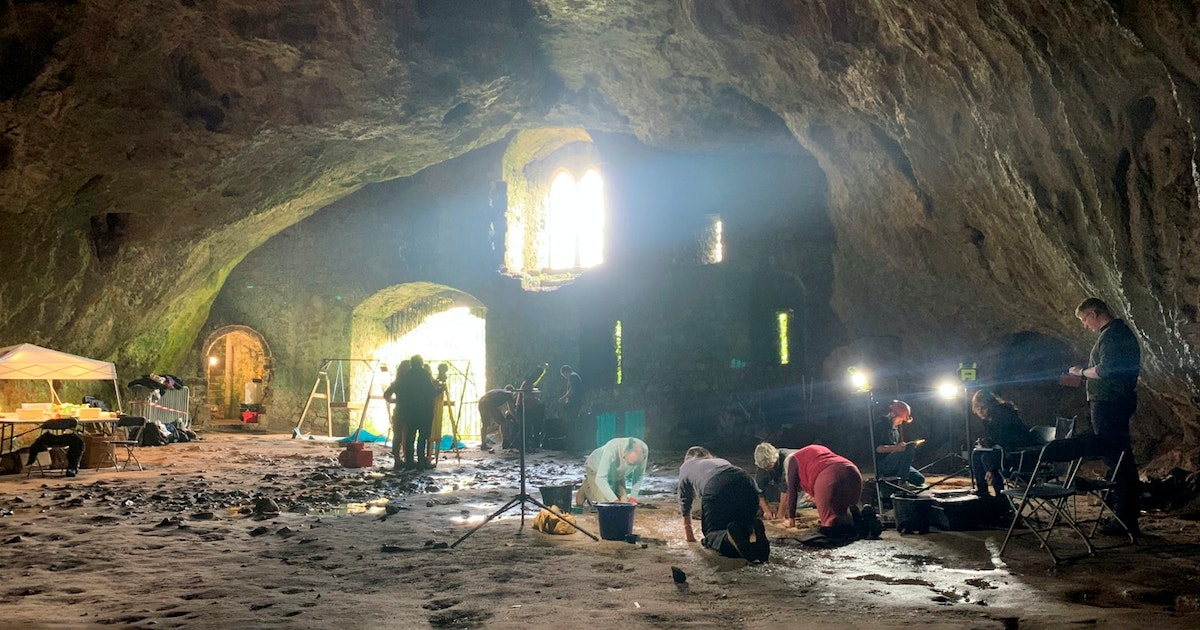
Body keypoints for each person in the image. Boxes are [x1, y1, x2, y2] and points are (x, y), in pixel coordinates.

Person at [1068, 297, 1142, 536]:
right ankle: (1125, 515)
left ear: (1093, 312)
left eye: (1084, 319)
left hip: (1110, 403)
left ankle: (1125, 519)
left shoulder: (1113, 336)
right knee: (1118, 458)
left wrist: (1082, 372)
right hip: (1112, 402)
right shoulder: (1115, 334)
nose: (1085, 325)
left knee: (1116, 459)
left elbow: (1107, 368)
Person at [678, 446, 769, 562]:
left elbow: (684, 499)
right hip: (747, 481)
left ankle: (728, 537)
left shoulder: (687, 465)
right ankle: (754, 530)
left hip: (717, 485)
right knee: (741, 530)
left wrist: (689, 534)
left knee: (712, 535)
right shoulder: (720, 461)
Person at [755, 442, 863, 538]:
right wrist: (766, 510)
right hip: (852, 471)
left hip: (827, 477)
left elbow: (790, 491)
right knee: (847, 510)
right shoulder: (810, 453)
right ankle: (861, 528)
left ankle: (843, 538)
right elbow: (759, 488)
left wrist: (790, 519)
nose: (767, 470)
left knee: (829, 525)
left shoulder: (791, 460)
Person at [969, 389, 1040, 497]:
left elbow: (1008, 439)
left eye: (981, 407)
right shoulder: (994, 415)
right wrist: (989, 442)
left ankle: (1000, 496)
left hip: (1020, 454)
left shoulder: (999, 415)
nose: (980, 411)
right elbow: (1000, 438)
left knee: (987, 457)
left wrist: (991, 467)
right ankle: (983, 490)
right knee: (976, 454)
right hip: (1008, 449)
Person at [390, 355, 444, 470]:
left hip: (409, 412)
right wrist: (440, 390)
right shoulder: (424, 375)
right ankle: (421, 462)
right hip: (424, 412)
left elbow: (398, 389)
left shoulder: (406, 376)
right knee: (423, 438)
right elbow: (431, 392)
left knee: (410, 437)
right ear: (420, 363)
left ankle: (409, 462)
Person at [576, 437, 648, 506]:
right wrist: (614, 501)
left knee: (624, 503)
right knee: (604, 504)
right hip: (596, 470)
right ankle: (587, 486)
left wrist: (633, 497)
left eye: (635, 465)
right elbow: (601, 478)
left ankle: (599, 488)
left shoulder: (644, 450)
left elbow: (639, 475)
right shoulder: (612, 448)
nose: (632, 467)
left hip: (617, 474)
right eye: (630, 464)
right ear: (624, 454)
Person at [874, 400, 925, 487]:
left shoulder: (895, 429)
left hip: (895, 463)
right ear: (893, 414)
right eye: (900, 419)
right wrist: (897, 448)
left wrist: (899, 448)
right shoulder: (881, 426)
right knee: (909, 448)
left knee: (919, 479)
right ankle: (902, 481)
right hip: (884, 465)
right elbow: (878, 449)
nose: (901, 422)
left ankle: (901, 476)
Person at [382, 360, 412, 468]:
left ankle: (398, 459)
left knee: (398, 437)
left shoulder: (397, 383)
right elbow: (386, 395)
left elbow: (386, 395)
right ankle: (406, 459)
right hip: (407, 412)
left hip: (399, 411)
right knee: (407, 437)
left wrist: (394, 401)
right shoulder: (410, 383)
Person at [477, 385, 515, 450]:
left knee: (485, 425)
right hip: (490, 404)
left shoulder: (498, 391)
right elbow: (511, 409)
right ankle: (505, 442)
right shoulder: (508, 393)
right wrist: (515, 418)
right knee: (503, 422)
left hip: (481, 402)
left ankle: (483, 444)